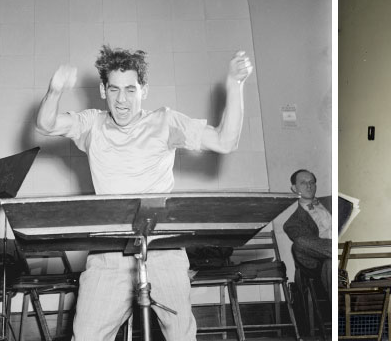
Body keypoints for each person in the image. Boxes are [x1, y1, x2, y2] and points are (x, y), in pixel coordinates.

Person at [35, 45, 253, 341]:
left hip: (163, 249)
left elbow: (225, 141)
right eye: (114, 90)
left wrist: (235, 84)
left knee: (181, 336)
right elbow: (45, 124)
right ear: (103, 90)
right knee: (86, 336)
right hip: (109, 252)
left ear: (144, 90)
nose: (122, 100)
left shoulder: (165, 121)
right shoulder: (91, 124)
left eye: (130, 90)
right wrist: (54, 90)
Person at [283, 169, 332, 295]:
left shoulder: (333, 201)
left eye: (312, 182)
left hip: (337, 249)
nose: (309, 186)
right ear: (294, 188)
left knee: (330, 263)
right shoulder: (292, 223)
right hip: (319, 262)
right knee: (299, 243)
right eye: (303, 183)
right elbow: (308, 247)